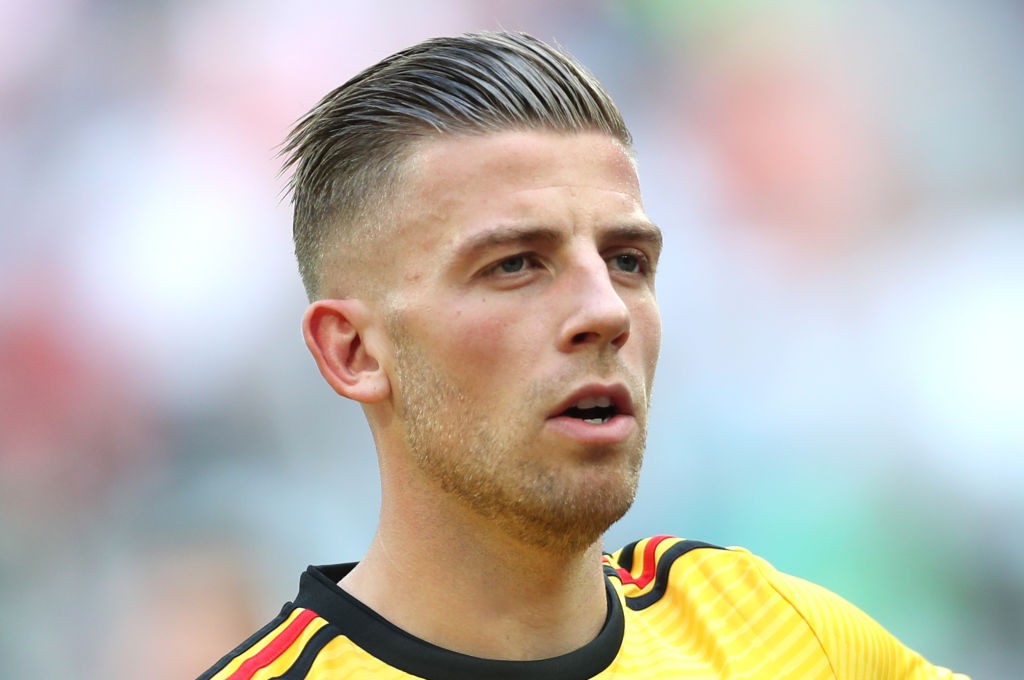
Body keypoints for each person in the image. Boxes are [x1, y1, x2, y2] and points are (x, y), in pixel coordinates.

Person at [199, 31, 968, 679]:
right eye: (515, 265)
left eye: (627, 260)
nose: (605, 311)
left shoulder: (783, 635)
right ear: (354, 352)